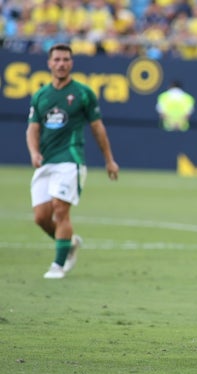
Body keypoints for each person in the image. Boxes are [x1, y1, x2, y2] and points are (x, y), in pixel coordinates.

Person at [26, 43, 120, 279]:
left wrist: (109, 160)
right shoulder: (41, 95)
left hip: (71, 159)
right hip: (45, 161)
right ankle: (70, 242)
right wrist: (34, 153)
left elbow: (98, 128)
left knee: (60, 210)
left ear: (72, 63)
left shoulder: (83, 93)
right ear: (49, 63)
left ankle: (58, 266)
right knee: (40, 218)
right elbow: (32, 129)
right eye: (57, 59)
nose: (61, 64)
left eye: (66, 59)